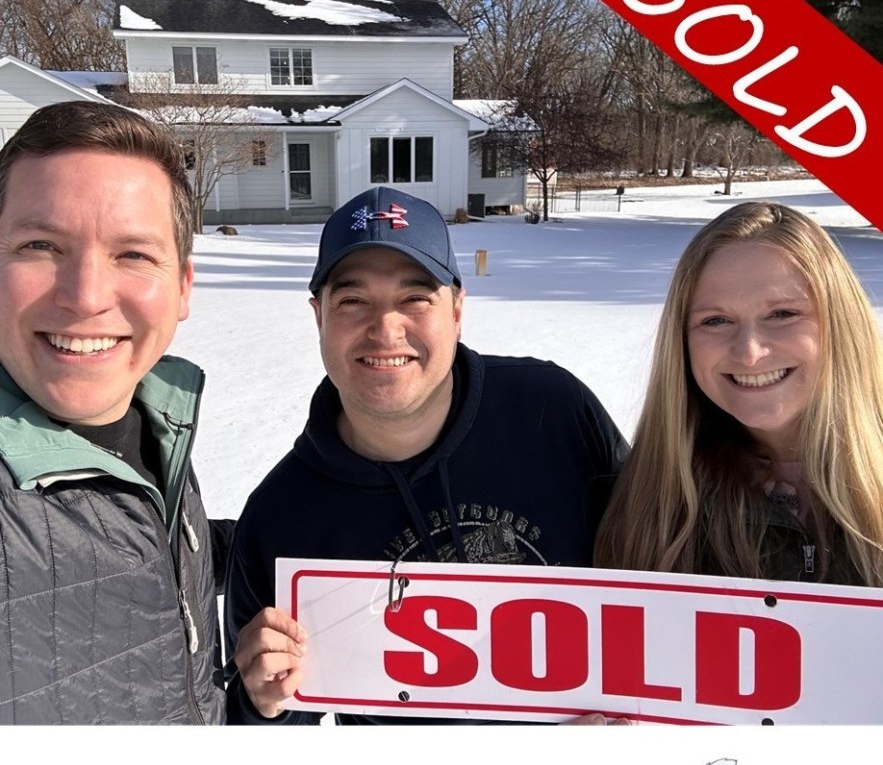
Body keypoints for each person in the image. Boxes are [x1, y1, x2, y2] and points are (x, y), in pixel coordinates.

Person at [226, 185, 627, 723]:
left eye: (415, 298)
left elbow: (662, 565)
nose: (386, 329)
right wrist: (262, 704)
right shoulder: (281, 518)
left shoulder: (552, 411)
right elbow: (259, 743)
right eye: (353, 301)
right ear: (319, 317)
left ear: (457, 310)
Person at [0, 100, 227, 724]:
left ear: (181, 287)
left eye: (132, 255)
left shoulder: (155, 420)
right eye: (41, 245)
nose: (86, 297)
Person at [594, 200, 883, 585]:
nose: (749, 352)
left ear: (840, 320)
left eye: (782, 314)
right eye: (716, 320)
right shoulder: (655, 498)